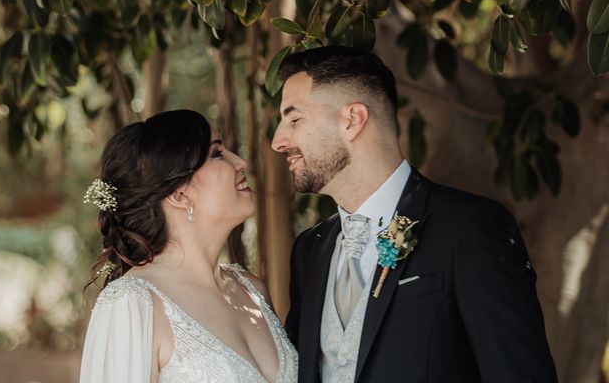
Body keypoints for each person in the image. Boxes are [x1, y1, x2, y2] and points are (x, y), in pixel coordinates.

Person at [271, 46, 558, 383]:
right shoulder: (309, 250)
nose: (278, 140)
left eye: (294, 119)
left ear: (352, 120)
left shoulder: (469, 228)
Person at [79, 109, 297, 383]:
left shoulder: (252, 291)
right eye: (217, 154)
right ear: (179, 194)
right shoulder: (133, 303)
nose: (240, 162)